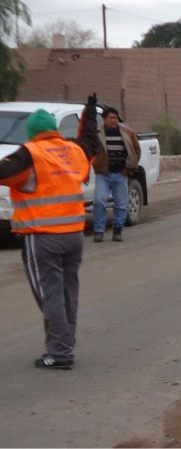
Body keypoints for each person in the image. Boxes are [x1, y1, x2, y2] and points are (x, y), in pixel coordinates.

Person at [0, 95, 101, 369]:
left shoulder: (29, 153)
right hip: (74, 236)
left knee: (50, 295)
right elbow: (91, 142)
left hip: (42, 237)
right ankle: (64, 344)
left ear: (31, 132)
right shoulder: (73, 150)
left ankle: (60, 352)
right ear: (54, 129)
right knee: (68, 293)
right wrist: (89, 115)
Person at [93, 107, 141, 242]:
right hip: (103, 174)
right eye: (110, 118)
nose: (113, 120)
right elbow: (91, 151)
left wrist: (130, 165)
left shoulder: (127, 132)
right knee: (99, 201)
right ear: (104, 119)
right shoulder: (97, 134)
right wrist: (96, 164)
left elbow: (136, 150)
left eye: (115, 118)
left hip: (120, 173)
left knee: (121, 204)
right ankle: (99, 231)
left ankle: (117, 230)